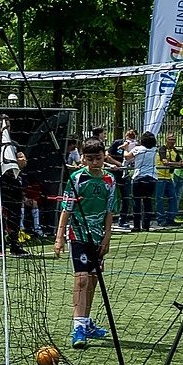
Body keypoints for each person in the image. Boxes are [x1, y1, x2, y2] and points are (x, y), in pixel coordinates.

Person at [52, 140, 118, 348]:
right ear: (82, 158)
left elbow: (109, 212)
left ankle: (86, 322)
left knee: (93, 279)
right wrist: (59, 236)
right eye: (89, 159)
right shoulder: (76, 178)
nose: (94, 162)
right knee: (81, 279)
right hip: (78, 234)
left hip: (98, 237)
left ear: (104, 156)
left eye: (98, 158)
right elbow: (66, 210)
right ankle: (78, 327)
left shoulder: (109, 180)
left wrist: (107, 238)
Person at [126, 131, 158, 232]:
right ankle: (146, 225)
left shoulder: (137, 149)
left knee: (137, 201)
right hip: (152, 178)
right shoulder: (154, 150)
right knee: (148, 201)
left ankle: (136, 226)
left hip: (139, 177)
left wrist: (125, 148)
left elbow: (127, 157)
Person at [155, 132, 180, 227]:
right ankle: (161, 219)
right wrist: (179, 164)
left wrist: (182, 163)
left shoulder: (175, 151)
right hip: (160, 177)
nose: (172, 142)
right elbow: (165, 162)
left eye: (174, 140)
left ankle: (171, 218)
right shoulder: (162, 149)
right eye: (171, 139)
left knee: (173, 198)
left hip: (169, 177)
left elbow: (180, 161)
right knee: (159, 199)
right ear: (166, 140)